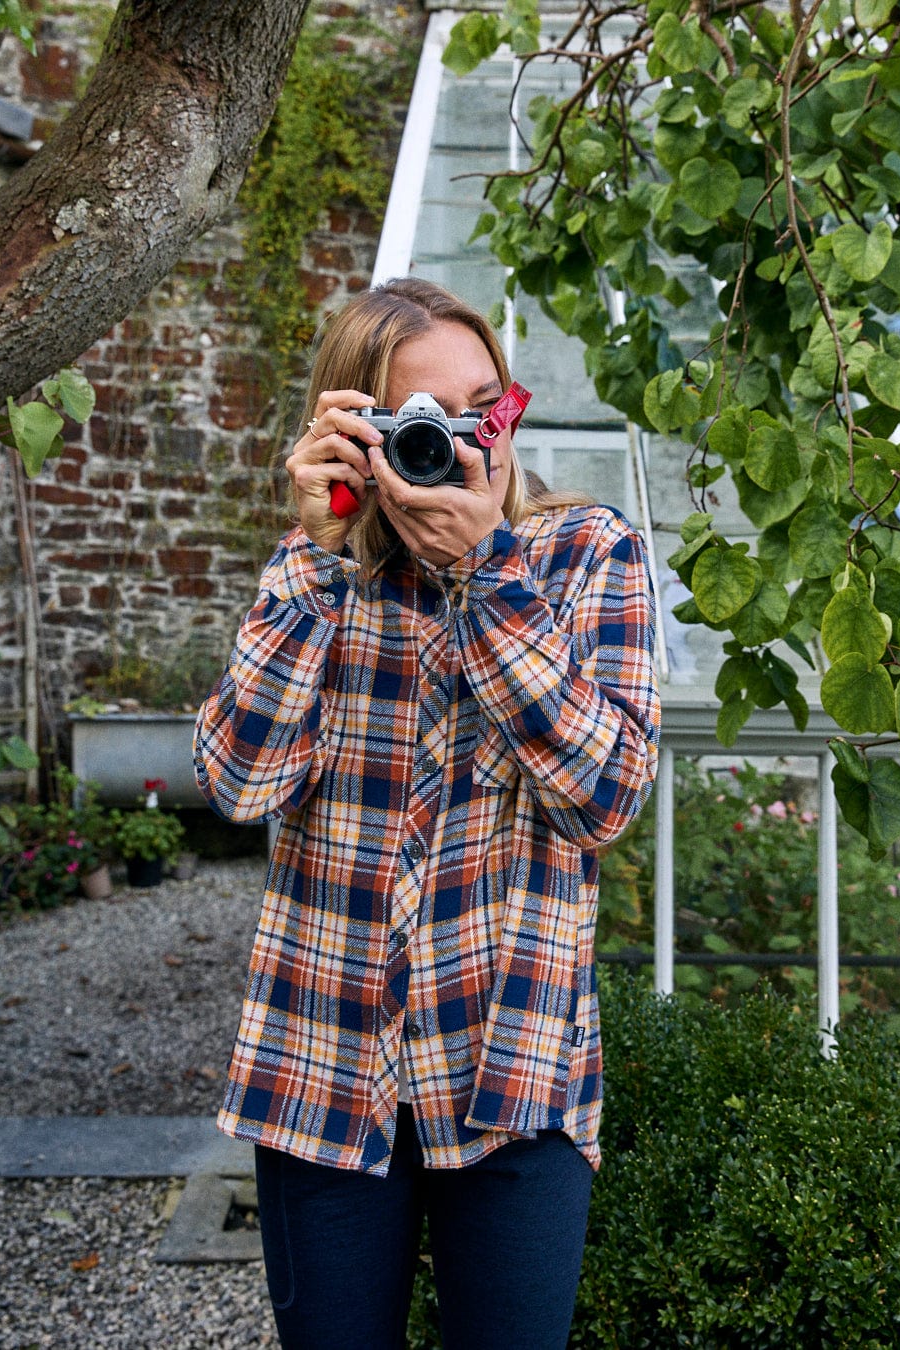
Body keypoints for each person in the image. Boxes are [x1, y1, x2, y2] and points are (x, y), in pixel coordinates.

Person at [194, 277, 661, 1349]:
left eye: (482, 411)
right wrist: (314, 555)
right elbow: (239, 783)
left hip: (515, 1073)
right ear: (358, 431)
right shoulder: (319, 576)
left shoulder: (587, 554)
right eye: (424, 424)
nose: (464, 448)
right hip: (321, 1065)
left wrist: (488, 575)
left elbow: (606, 797)